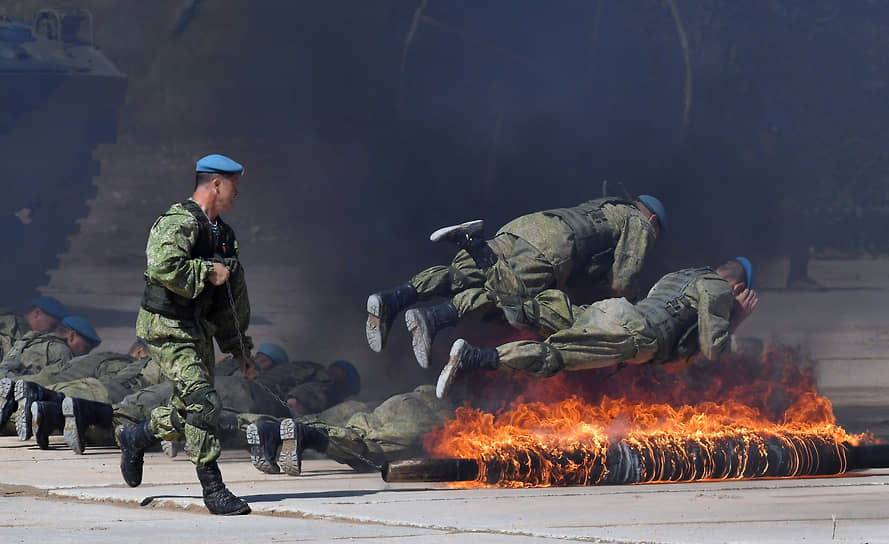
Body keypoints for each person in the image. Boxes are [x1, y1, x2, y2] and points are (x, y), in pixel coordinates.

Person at [366, 195, 667, 368]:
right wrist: (624, 305)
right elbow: (625, 274)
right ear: (653, 220)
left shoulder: (607, 205)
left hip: (525, 226)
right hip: (551, 247)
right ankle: (433, 316)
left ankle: (393, 299)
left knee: (463, 274)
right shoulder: (640, 223)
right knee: (506, 294)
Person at [114, 153, 253, 516]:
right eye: (234, 185)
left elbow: (229, 299)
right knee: (205, 402)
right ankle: (213, 488)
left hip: (197, 328)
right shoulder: (177, 221)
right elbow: (162, 265)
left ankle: (136, 437)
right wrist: (208, 270)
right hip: (166, 328)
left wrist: (239, 349)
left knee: (188, 407)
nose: (238, 193)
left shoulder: (224, 235)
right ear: (216, 184)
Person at [435, 258, 759, 398]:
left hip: (614, 311)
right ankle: (473, 358)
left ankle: (462, 304)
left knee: (543, 312)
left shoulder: (681, 275)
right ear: (738, 287)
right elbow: (713, 348)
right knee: (554, 356)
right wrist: (737, 319)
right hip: (633, 333)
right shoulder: (718, 290)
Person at [246, 385, 454, 476]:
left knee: (354, 428)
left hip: (397, 400)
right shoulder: (461, 405)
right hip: (428, 417)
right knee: (370, 451)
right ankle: (309, 436)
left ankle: (269, 430)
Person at [0, 296, 68, 358]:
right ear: (37, 313)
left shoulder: (30, 335)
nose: (53, 332)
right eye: (53, 326)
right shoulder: (7, 328)